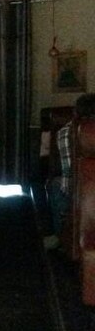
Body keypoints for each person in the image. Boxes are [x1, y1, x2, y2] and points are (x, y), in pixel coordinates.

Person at [45, 92, 95, 249]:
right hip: (88, 194)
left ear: (76, 112)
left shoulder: (64, 132)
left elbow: (68, 171)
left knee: (55, 184)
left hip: (78, 193)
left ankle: (60, 234)